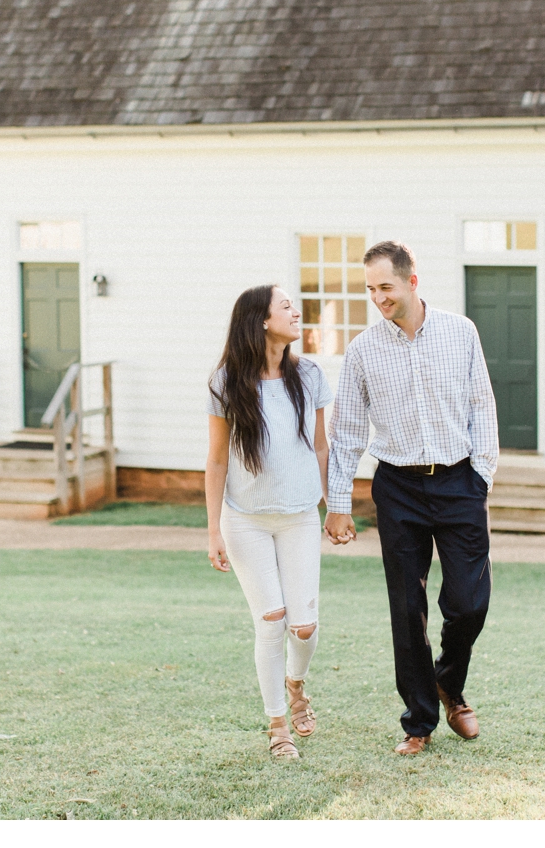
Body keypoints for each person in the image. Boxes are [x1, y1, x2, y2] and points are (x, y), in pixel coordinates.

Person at [324, 241, 498, 755]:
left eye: (386, 287)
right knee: (407, 608)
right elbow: (348, 431)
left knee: (468, 604)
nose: (377, 298)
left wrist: (481, 475)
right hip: (398, 487)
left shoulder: (461, 332)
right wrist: (338, 504)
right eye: (370, 289)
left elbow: (481, 404)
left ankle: (449, 682)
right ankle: (419, 720)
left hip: (459, 480)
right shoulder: (361, 351)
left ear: (412, 281)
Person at [206, 284, 334, 760]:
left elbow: (322, 446)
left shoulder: (311, 375)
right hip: (245, 523)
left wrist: (334, 504)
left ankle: (296, 685)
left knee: (304, 627)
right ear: (261, 320)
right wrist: (213, 529)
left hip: (299, 517)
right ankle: (278, 725)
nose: (296, 313)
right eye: (286, 307)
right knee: (270, 622)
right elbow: (217, 461)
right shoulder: (226, 382)